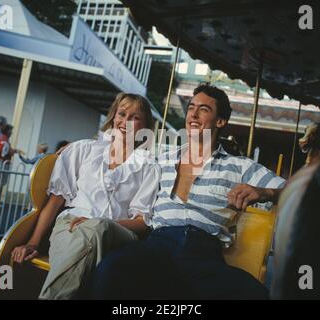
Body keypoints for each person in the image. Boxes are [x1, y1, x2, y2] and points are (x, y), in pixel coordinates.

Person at [92, 84, 285, 300]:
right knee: (111, 268)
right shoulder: (161, 159)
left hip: (203, 255)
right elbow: (121, 163)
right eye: (191, 107)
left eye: (204, 109)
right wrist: (77, 152)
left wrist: (265, 192)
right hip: (157, 245)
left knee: (255, 295)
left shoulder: (239, 166)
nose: (193, 113)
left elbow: (298, 190)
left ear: (220, 121)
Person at [11, 93, 160, 299]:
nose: (125, 122)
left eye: (134, 118)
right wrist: (33, 242)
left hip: (116, 232)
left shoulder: (149, 165)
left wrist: (100, 222)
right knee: (83, 247)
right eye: (122, 114)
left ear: (145, 126)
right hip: (70, 226)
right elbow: (55, 201)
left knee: (97, 227)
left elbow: (142, 222)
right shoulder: (83, 150)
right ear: (113, 116)